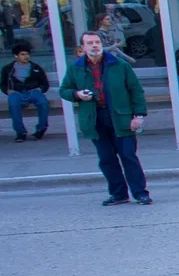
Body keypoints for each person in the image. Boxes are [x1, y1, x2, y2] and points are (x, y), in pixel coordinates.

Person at [59, 31, 151, 205]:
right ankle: (118, 194)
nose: (95, 45)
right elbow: (64, 90)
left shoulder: (120, 64)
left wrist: (138, 116)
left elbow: (136, 90)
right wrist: (77, 94)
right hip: (95, 118)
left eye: (97, 42)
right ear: (83, 47)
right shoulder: (76, 68)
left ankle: (140, 193)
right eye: (90, 43)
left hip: (120, 117)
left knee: (128, 156)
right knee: (106, 159)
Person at [3, 42, 50, 141]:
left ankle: (41, 129)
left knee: (43, 103)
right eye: (22, 54)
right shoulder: (8, 69)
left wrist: (41, 89)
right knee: (13, 104)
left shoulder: (36, 68)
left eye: (27, 54)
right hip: (16, 92)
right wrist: (8, 91)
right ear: (16, 56)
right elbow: (3, 84)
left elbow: (45, 83)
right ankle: (20, 133)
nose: (26, 56)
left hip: (33, 91)